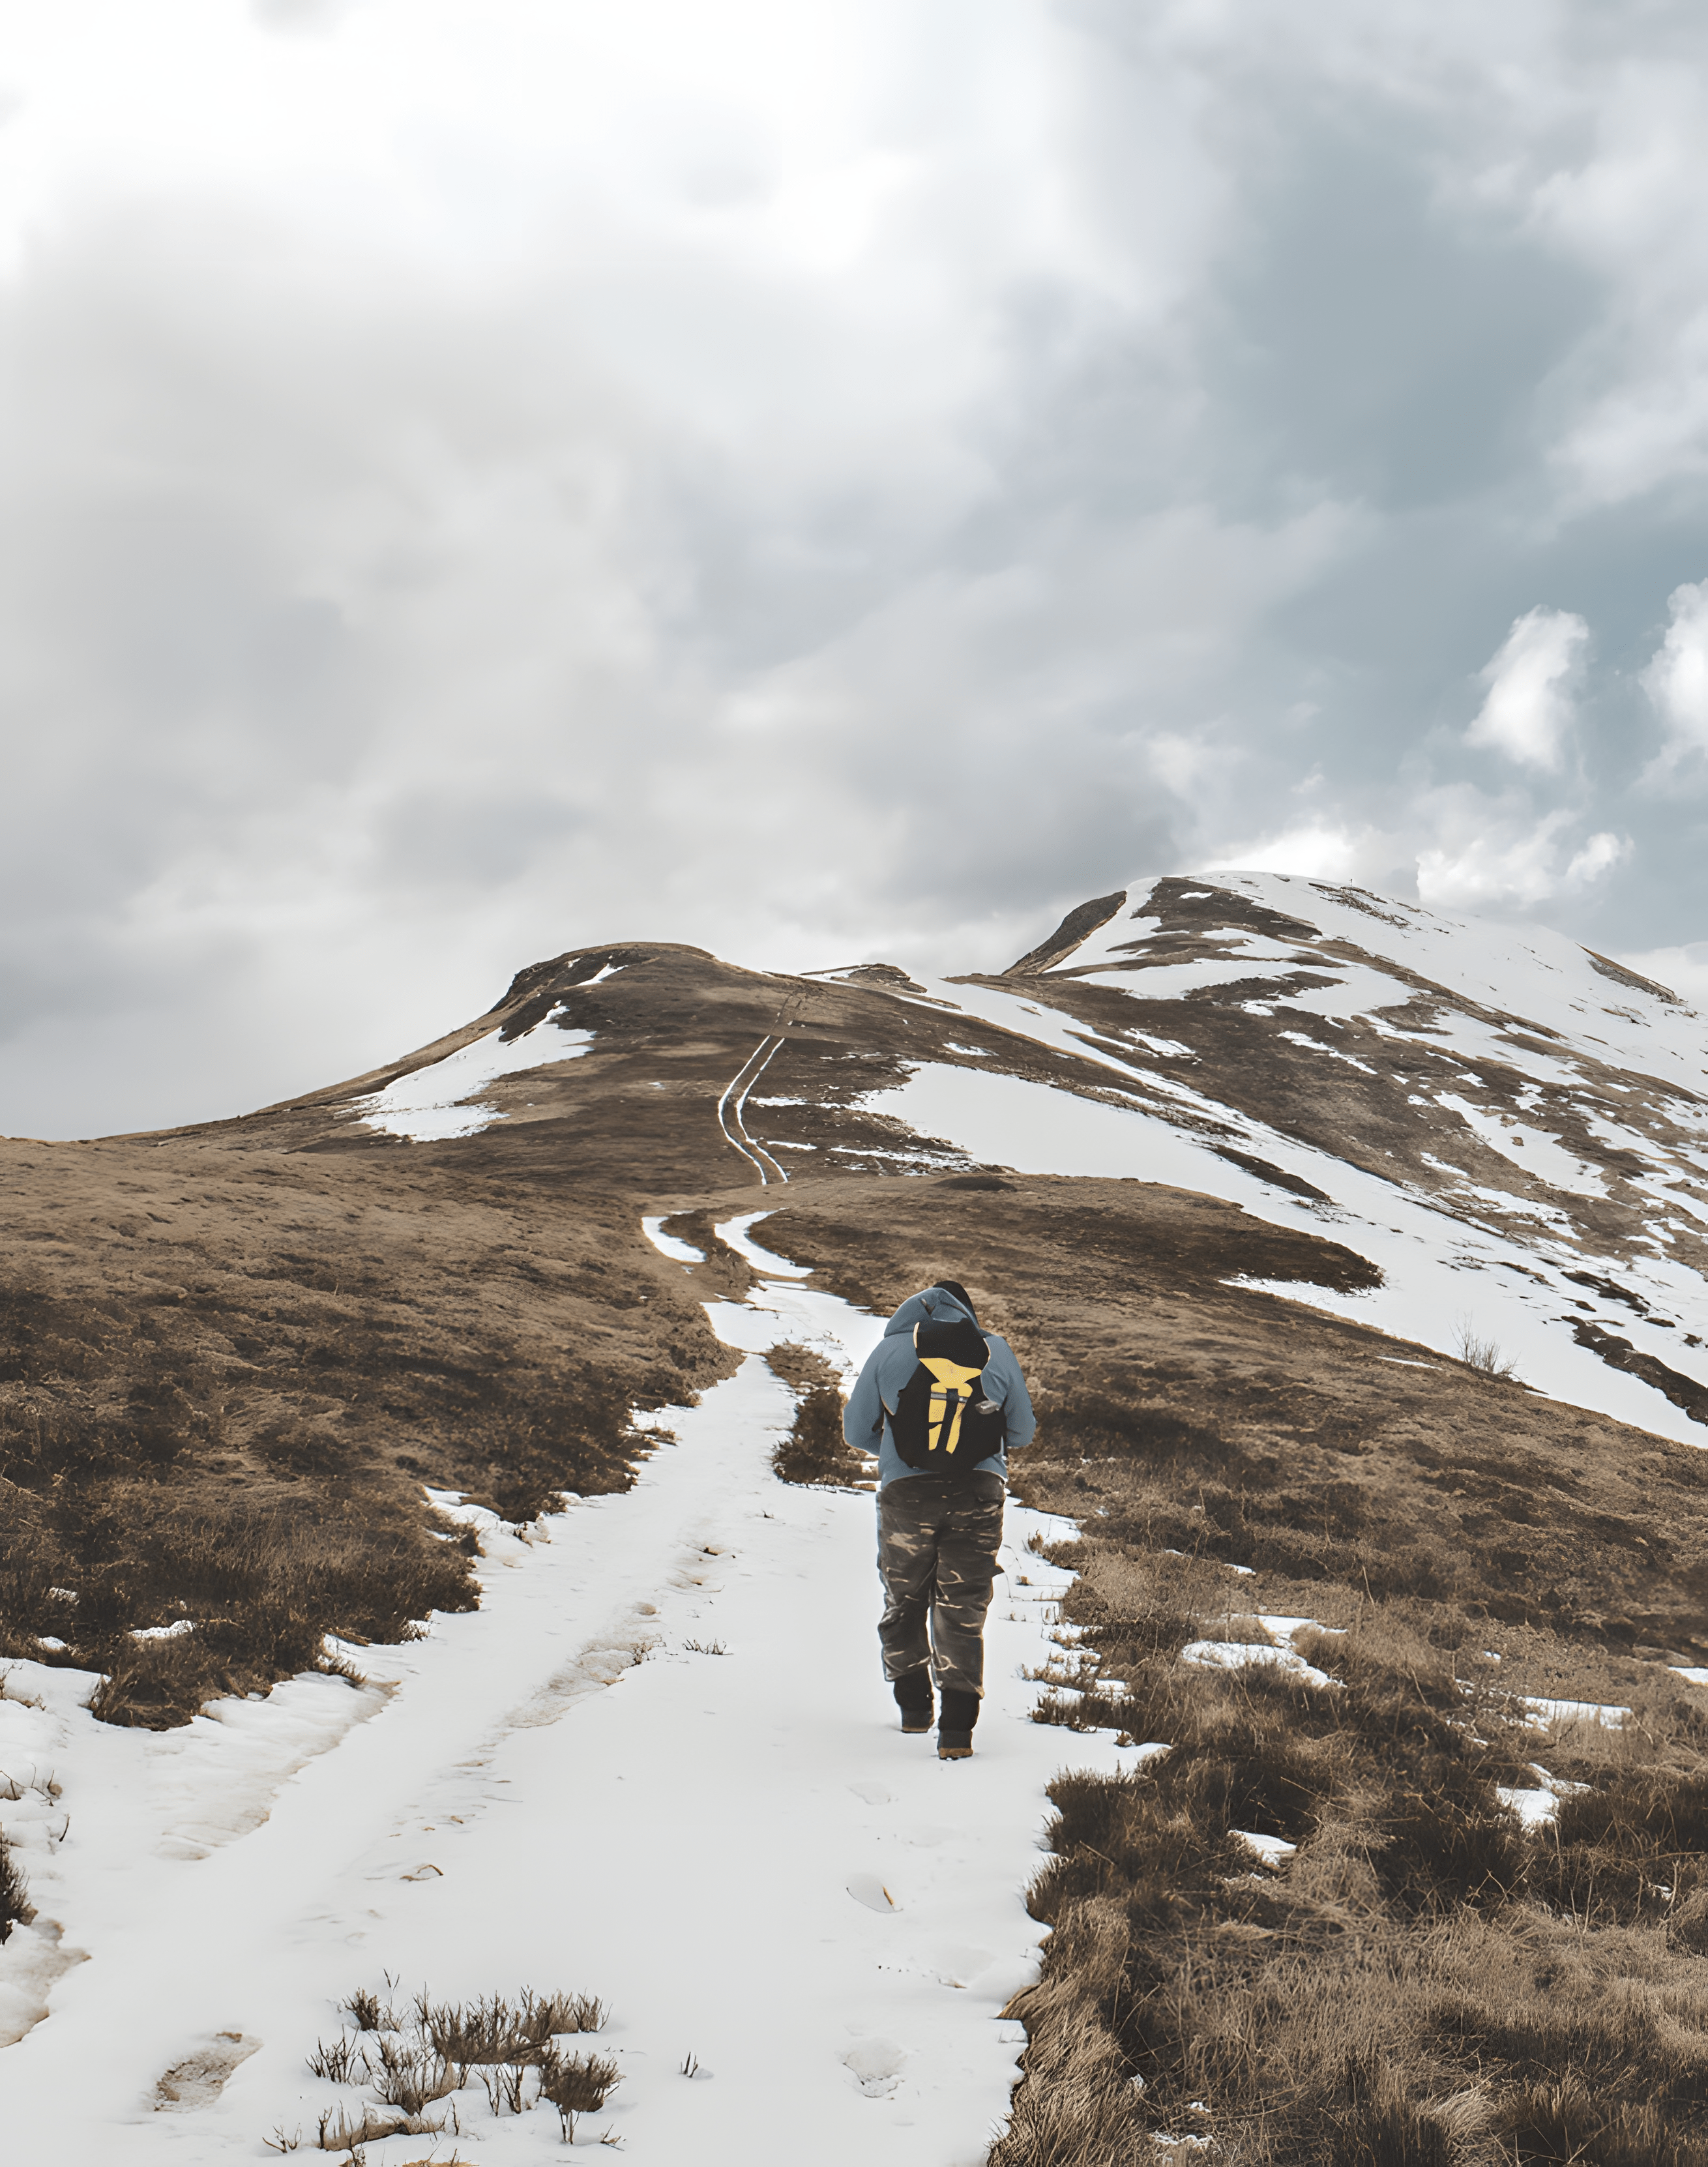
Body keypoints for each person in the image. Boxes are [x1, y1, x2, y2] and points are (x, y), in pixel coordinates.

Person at [842, 1279, 1036, 1760]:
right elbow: (1022, 1431)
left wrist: (900, 1454)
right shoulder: (994, 1350)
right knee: (963, 1606)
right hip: (978, 1495)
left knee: (903, 1598)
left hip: (905, 1497)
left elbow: (856, 1430)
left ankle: (913, 1709)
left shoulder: (889, 1350)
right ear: (967, 1315)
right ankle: (956, 1732)